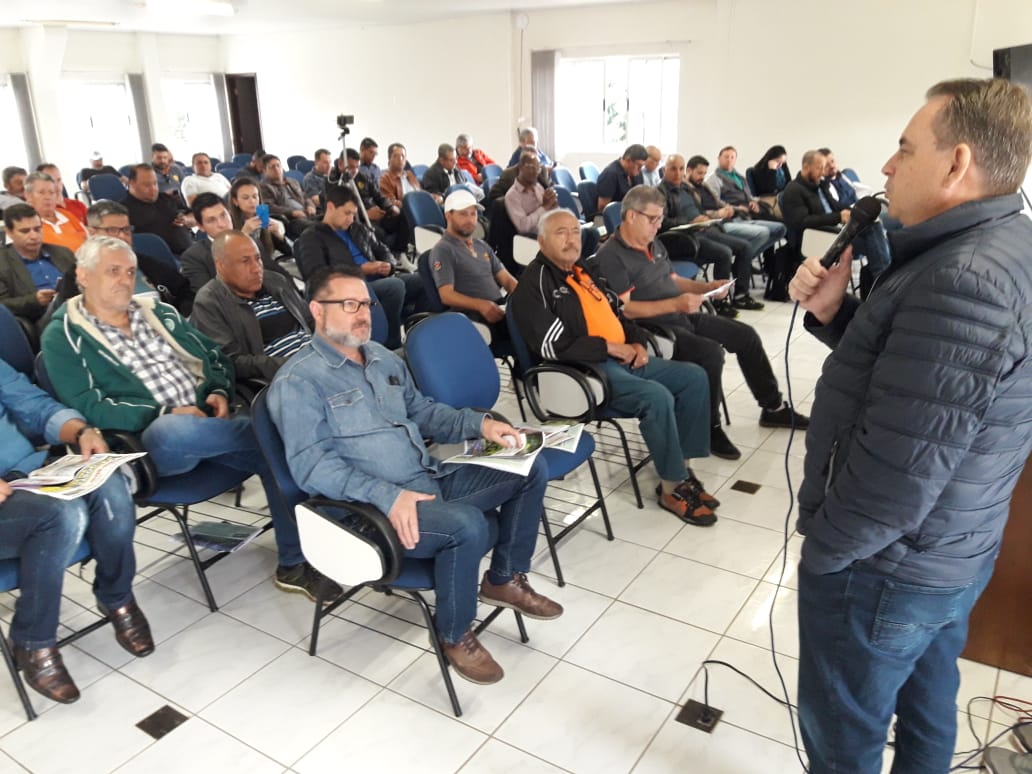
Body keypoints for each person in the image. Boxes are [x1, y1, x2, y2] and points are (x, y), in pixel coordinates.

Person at [787, 77, 1032, 774]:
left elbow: (896, 485)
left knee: (845, 737)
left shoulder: (965, 279)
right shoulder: (1002, 244)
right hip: (951, 550)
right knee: (929, 702)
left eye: (904, 148)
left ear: (957, 165)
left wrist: (825, 555)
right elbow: (915, 384)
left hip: (886, 569)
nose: (887, 167)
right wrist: (837, 315)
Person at [268, 265, 563, 685]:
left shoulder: (383, 357)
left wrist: (479, 426)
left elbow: (423, 412)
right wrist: (387, 496)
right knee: (466, 525)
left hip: (427, 479)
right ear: (317, 310)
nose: (363, 313)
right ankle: (455, 632)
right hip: (369, 512)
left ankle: (503, 580)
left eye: (366, 304)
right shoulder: (299, 381)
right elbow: (312, 467)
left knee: (529, 466)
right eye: (348, 304)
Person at [41, 236, 338, 603]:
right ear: (83, 277)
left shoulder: (157, 312)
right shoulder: (63, 335)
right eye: (112, 271)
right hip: (152, 446)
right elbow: (88, 405)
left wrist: (217, 391)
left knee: (272, 452)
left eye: (130, 272)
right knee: (183, 428)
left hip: (211, 428)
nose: (124, 280)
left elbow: (213, 355)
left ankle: (295, 562)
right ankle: (288, 439)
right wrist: (163, 411)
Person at [509, 208, 718, 525]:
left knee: (694, 377)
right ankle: (671, 489)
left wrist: (635, 341)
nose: (571, 239)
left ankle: (681, 472)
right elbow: (552, 346)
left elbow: (617, 314)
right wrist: (608, 346)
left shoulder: (584, 272)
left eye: (575, 232)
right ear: (541, 240)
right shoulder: (533, 284)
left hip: (621, 357)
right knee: (657, 397)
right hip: (585, 371)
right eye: (560, 233)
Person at [594, 185, 808, 461]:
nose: (658, 226)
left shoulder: (651, 243)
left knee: (746, 335)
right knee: (710, 354)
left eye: (660, 219)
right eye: (653, 219)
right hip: (654, 328)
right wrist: (677, 304)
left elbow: (671, 281)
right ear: (631, 216)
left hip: (681, 314)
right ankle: (711, 427)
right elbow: (628, 311)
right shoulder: (611, 256)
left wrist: (704, 287)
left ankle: (773, 406)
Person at [0, 358, 154, 704]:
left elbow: (34, 405)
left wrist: (82, 432)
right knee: (62, 516)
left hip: (25, 477)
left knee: (111, 485)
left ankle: (117, 596)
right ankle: (33, 639)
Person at [294, 185, 423, 349]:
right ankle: (391, 343)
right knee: (394, 287)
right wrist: (361, 269)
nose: (351, 219)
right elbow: (315, 275)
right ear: (331, 207)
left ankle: (416, 330)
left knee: (422, 279)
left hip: (378, 278)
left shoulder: (358, 229)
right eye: (347, 213)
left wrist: (388, 265)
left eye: (353, 214)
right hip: (352, 289)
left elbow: (383, 249)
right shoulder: (312, 237)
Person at [190, 230, 311, 382]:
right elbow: (232, 361)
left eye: (258, 258)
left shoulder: (275, 280)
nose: (256, 268)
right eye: (245, 261)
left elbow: (310, 320)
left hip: (320, 359)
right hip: (284, 377)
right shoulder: (209, 302)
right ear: (221, 266)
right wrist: (294, 364)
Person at [657, 155, 764, 312]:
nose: (678, 173)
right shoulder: (661, 193)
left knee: (745, 247)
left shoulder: (687, 189)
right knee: (724, 253)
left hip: (703, 229)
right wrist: (689, 223)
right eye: (673, 169)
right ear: (665, 170)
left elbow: (699, 209)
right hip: (684, 238)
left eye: (681, 169)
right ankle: (719, 303)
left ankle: (741, 296)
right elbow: (662, 222)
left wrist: (706, 218)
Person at [56, 200, 195, 315]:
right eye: (113, 230)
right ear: (92, 233)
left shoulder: (148, 265)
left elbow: (185, 291)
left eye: (126, 230)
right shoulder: (77, 277)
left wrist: (177, 319)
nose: (122, 236)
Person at [430, 189, 517, 340]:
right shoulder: (443, 249)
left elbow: (507, 280)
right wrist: (481, 305)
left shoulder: (481, 245)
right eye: (463, 214)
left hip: (500, 308)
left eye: (473, 214)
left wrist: (527, 298)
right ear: (448, 216)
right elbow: (446, 295)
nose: (470, 220)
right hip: (476, 316)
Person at [180, 192, 293, 293]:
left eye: (224, 215)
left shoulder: (250, 242)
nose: (222, 224)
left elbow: (279, 274)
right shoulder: (193, 257)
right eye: (212, 220)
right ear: (201, 226)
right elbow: (209, 296)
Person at [0, 203, 76, 346]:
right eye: (25, 231)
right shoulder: (2, 263)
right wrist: (34, 300)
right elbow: (2, 306)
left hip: (79, 307)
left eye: (37, 229)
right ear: (9, 232)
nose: (33, 236)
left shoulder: (62, 252)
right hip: (40, 319)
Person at [123, 164, 195, 256]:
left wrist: (186, 219)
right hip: (158, 260)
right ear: (132, 183)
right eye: (147, 185)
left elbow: (195, 217)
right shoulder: (123, 210)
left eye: (155, 183)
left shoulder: (166, 199)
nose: (153, 189)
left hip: (189, 251)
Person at [707, 145, 780, 222]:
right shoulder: (714, 179)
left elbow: (749, 196)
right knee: (778, 226)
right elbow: (716, 202)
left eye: (732, 157)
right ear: (718, 159)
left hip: (750, 209)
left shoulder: (740, 177)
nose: (729, 160)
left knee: (782, 223)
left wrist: (753, 202)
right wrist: (736, 208)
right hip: (736, 213)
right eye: (726, 157)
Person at [228, 177, 292, 262]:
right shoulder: (228, 223)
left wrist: (279, 236)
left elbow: (289, 252)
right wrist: (244, 234)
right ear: (235, 201)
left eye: (255, 196)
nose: (252, 201)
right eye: (246, 198)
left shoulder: (264, 217)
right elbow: (231, 259)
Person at [23, 172, 88, 253]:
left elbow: (89, 240)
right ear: (28, 196)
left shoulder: (67, 215)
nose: (48, 197)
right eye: (41, 192)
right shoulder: (24, 224)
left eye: (51, 193)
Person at [260, 155, 317, 239]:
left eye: (278, 165)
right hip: (291, 220)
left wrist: (310, 206)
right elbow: (270, 207)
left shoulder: (293, 181)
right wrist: (292, 213)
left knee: (330, 221)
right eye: (272, 167)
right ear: (265, 171)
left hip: (307, 214)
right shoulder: (263, 187)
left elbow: (305, 196)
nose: (276, 169)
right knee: (318, 228)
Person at [596, 144, 648, 210]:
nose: (640, 170)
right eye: (639, 166)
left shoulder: (635, 172)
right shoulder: (610, 174)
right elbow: (602, 207)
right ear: (628, 160)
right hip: (615, 215)